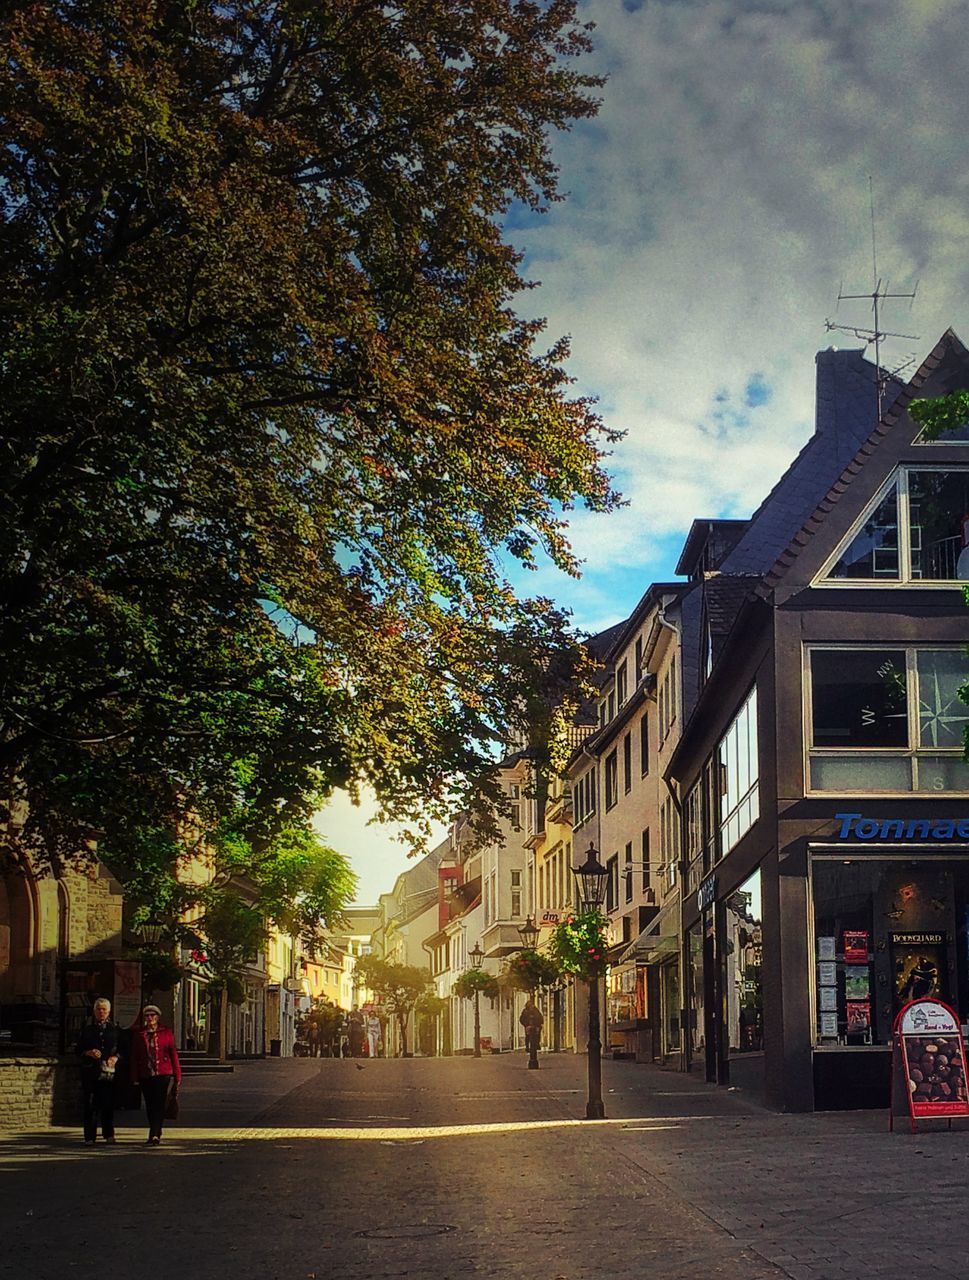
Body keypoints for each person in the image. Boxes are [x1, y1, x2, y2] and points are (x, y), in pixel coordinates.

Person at [130, 1004, 182, 1146]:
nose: (150, 1018)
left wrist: (177, 1075)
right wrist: (134, 1077)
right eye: (147, 1016)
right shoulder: (140, 1034)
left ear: (157, 1017)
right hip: (146, 1074)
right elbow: (135, 1057)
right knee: (150, 1104)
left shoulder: (166, 1033)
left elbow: (173, 1054)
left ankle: (154, 1133)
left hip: (162, 1073)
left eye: (152, 1016)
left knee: (159, 1104)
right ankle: (154, 1130)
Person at [76, 997, 120, 1146]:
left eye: (104, 1010)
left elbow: (122, 1049)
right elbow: (78, 1049)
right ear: (94, 1011)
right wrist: (88, 1052)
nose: (101, 1012)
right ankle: (89, 1136)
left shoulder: (115, 1029)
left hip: (108, 1072)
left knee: (108, 1103)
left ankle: (109, 1134)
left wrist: (115, 1057)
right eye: (98, 1009)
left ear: (109, 1012)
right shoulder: (87, 1029)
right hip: (91, 1071)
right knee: (90, 1104)